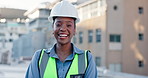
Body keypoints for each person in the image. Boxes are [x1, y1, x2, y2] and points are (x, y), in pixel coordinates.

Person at [25, 1, 97, 78]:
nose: (63, 29)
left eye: (68, 25)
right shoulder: (39, 58)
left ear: (74, 29)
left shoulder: (86, 59)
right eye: (58, 24)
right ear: (53, 28)